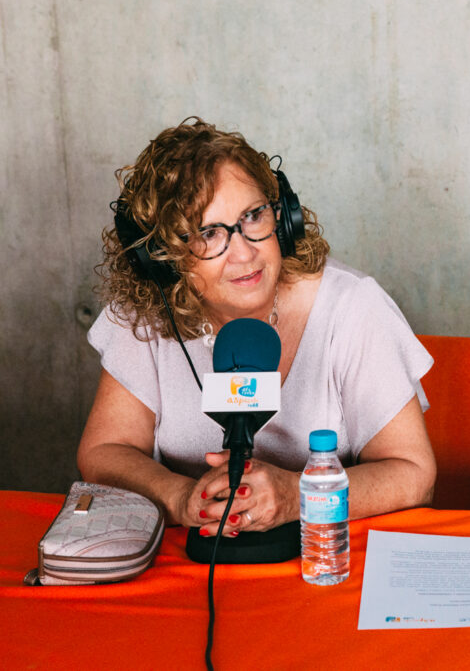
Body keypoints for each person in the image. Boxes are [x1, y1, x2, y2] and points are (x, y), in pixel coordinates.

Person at [78, 118, 436, 537]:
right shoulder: (148, 312)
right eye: (209, 233)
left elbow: (415, 475)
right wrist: (183, 498)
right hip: (195, 558)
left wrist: (297, 495)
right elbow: (104, 451)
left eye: (252, 216)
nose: (244, 252)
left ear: (283, 218)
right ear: (162, 256)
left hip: (325, 557)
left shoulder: (353, 306)